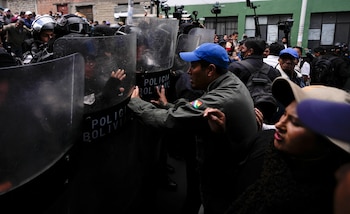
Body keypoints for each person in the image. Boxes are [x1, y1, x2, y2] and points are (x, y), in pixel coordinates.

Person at [127, 42, 258, 214]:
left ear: (210, 70)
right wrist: (169, 105)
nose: (188, 71)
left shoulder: (221, 99)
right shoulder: (227, 82)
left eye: (194, 66)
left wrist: (136, 103)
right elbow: (195, 107)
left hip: (225, 180)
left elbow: (168, 121)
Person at [205, 77, 350, 214]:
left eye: (295, 123)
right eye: (285, 114)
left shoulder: (335, 199)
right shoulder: (264, 143)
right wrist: (219, 136)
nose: (280, 124)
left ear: (326, 143)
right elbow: (227, 178)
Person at [228, 38, 281, 124]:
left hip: (240, 117)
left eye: (243, 48)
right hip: (266, 116)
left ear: (250, 51)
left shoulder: (235, 67)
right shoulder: (273, 71)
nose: (241, 50)